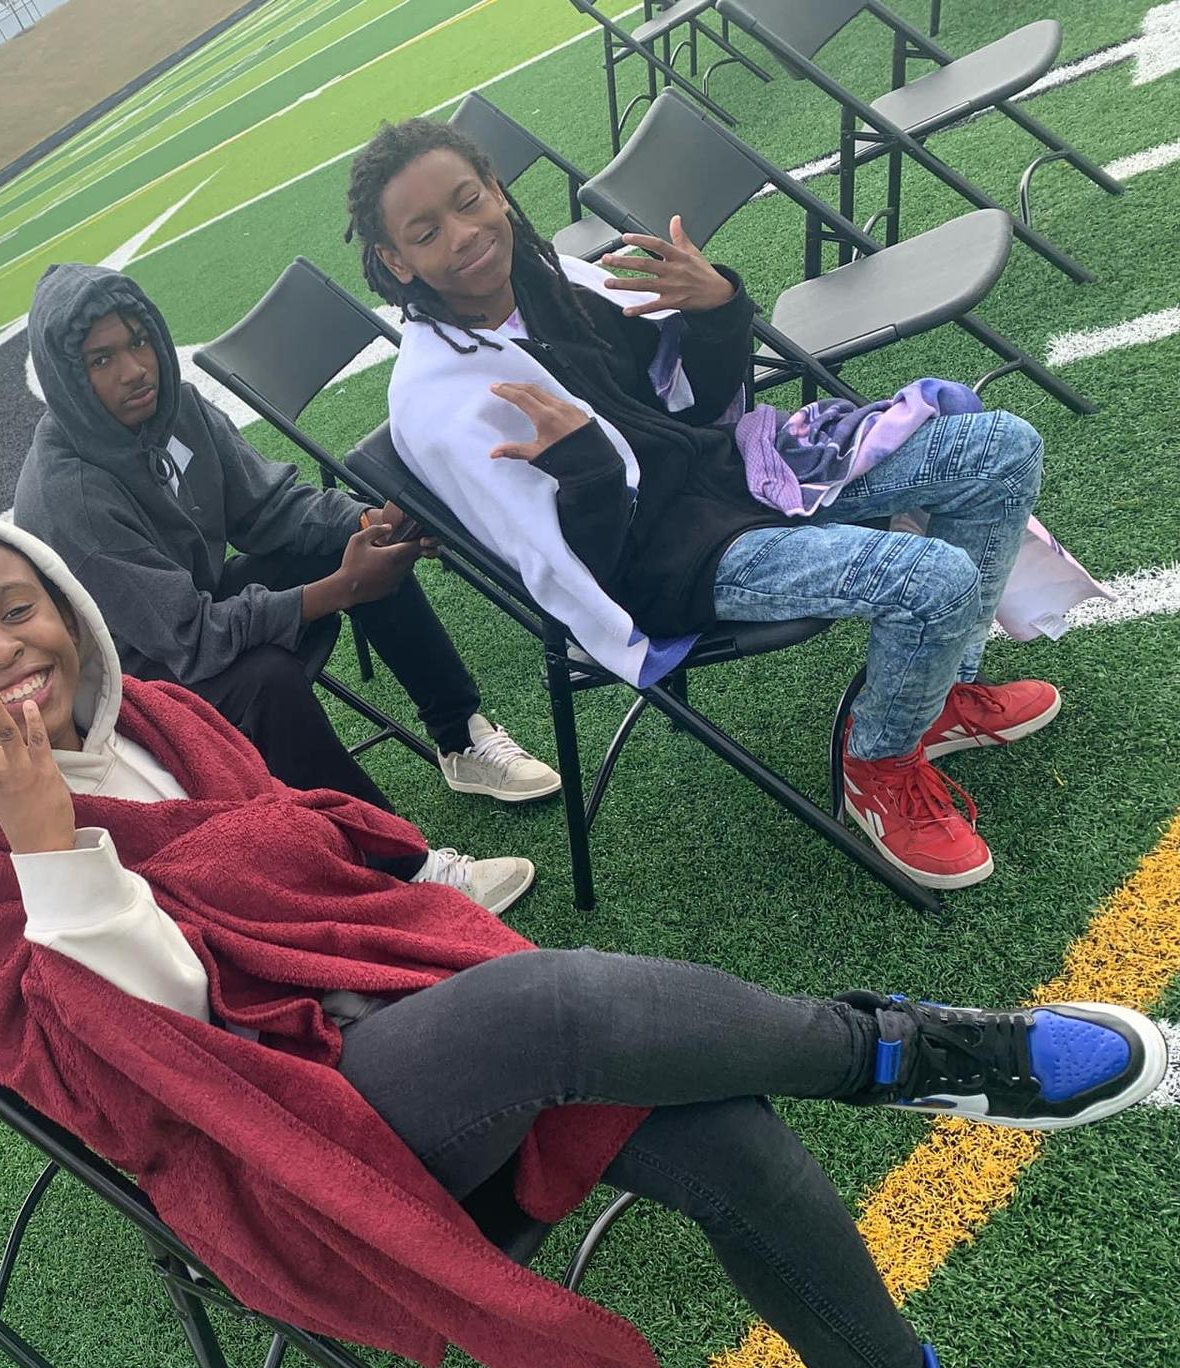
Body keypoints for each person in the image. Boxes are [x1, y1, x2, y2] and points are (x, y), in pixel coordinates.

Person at [0, 511, 1163, 1368]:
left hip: (395, 1013)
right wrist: (53, 850)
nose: (2, 649)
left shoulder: (161, 718)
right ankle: (912, 1052)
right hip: (280, 1134)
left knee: (730, 1140)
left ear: (65, 608)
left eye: (17, 606)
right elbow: (131, 1085)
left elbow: (315, 863)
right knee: (548, 1001)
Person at [344, 118, 1109, 892]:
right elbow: (578, 571)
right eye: (426, 231)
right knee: (930, 579)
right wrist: (589, 469)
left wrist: (716, 312)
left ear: (499, 192)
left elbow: (700, 410)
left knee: (1001, 447)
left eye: (469, 200)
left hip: (732, 476)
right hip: (666, 564)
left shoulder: (559, 280)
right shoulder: (439, 398)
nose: (464, 234)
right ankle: (878, 763)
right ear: (394, 260)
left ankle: (936, 697)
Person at [13, 261, 564, 814]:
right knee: (267, 682)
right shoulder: (72, 496)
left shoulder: (173, 406)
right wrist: (341, 589)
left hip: (191, 617)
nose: (135, 370)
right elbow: (189, 639)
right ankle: (391, 861)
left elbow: (268, 509)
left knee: (358, 545)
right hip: (136, 683)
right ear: (68, 378)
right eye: (101, 360)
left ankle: (460, 737)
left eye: (138, 342)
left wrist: (369, 523)